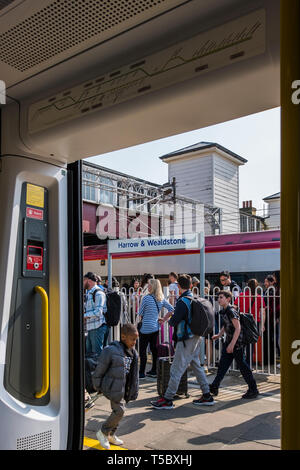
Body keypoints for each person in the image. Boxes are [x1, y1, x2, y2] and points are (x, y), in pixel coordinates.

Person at [150, 274, 215, 409]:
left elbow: (174, 322)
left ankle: (167, 399)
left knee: (176, 369)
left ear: (179, 286)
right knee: (197, 366)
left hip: (185, 339)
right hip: (196, 337)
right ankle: (207, 395)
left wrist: (171, 316)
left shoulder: (182, 301)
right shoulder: (193, 298)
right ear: (191, 285)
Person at [92, 324, 139, 450]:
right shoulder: (110, 351)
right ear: (123, 337)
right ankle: (103, 432)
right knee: (120, 411)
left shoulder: (133, 353)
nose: (135, 342)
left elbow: (133, 374)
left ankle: (111, 434)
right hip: (112, 387)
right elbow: (100, 369)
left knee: (120, 413)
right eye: (132, 339)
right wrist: (97, 386)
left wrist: (133, 390)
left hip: (124, 388)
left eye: (136, 339)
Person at [210, 290, 259, 399]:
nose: (219, 299)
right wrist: (219, 334)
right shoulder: (226, 310)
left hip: (237, 344)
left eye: (221, 297)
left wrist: (232, 345)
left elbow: (238, 328)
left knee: (243, 367)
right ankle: (214, 386)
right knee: (223, 366)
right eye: (218, 297)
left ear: (228, 299)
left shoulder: (231, 311)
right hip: (230, 342)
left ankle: (253, 389)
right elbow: (226, 325)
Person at [137, 278, 174, 379]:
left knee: (143, 350)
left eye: (149, 285)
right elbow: (171, 309)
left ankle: (141, 372)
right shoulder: (161, 299)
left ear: (152, 287)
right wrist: (163, 319)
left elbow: (140, 313)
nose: (147, 287)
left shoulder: (146, 298)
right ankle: (154, 370)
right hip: (155, 328)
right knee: (154, 349)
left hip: (145, 328)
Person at [234, 279, 266, 366]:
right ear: (257, 286)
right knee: (250, 344)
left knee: (241, 342)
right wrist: (262, 325)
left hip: (242, 321)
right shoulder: (259, 297)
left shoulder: (241, 295)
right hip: (254, 323)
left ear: (247, 286)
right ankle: (249, 363)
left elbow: (234, 308)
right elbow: (263, 312)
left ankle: (240, 363)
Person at [83, 272, 109, 357]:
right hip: (92, 327)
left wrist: (84, 316)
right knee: (89, 355)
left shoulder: (98, 293)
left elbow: (98, 312)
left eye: (84, 280)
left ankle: (98, 370)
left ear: (89, 281)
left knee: (97, 355)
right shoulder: (90, 293)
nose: (83, 282)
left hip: (97, 327)